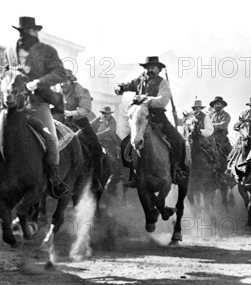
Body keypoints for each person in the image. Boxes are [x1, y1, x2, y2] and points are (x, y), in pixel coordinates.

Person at [0, 17, 70, 198]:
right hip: (12, 107)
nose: (24, 34)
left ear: (35, 32)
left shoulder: (47, 51)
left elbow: (60, 73)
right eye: (21, 31)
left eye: (27, 31)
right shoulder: (10, 51)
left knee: (50, 138)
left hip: (37, 104)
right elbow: (4, 74)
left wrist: (38, 82)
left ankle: (54, 180)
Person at [115, 56, 188, 187]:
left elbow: (162, 100)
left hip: (157, 117)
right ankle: (132, 174)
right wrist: (120, 87)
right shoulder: (139, 80)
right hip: (140, 118)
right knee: (126, 143)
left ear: (159, 69)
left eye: (153, 67)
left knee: (179, 141)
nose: (150, 70)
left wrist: (147, 100)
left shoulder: (163, 83)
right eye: (148, 67)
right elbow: (127, 84)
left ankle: (178, 170)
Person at [61, 69, 104, 179]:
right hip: (62, 123)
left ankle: (96, 180)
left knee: (97, 149)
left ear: (71, 81)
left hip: (80, 123)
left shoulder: (81, 90)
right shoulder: (58, 91)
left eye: (65, 81)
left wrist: (70, 113)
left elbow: (86, 109)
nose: (62, 84)